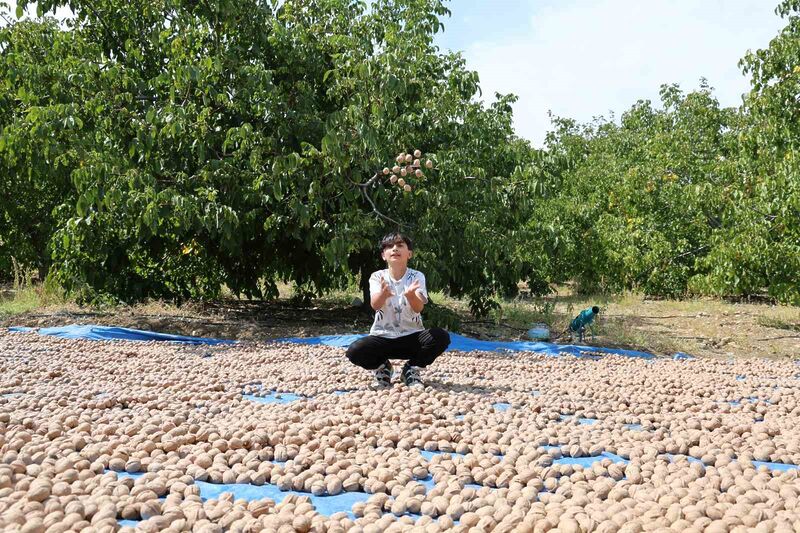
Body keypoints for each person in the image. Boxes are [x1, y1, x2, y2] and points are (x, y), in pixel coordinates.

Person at [346, 232, 450, 389]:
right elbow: (375, 305)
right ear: (383, 255)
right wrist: (383, 294)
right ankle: (383, 369)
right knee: (355, 351)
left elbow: (418, 308)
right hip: (383, 336)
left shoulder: (417, 276)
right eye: (389, 246)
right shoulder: (377, 276)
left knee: (440, 336)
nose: (395, 249)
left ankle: (411, 370)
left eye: (400, 245)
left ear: (409, 254)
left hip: (412, 336)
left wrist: (410, 296)